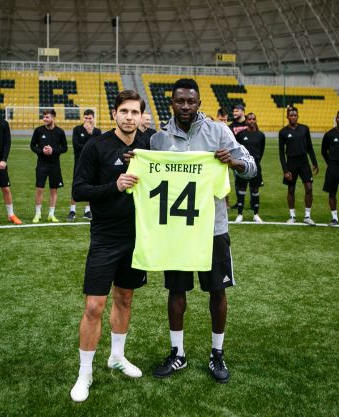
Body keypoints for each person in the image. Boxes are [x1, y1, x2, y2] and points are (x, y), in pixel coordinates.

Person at [149, 78, 256, 384]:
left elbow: (251, 166)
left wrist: (234, 163)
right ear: (172, 103)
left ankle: (217, 353)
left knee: (217, 291)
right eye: (180, 101)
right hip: (177, 229)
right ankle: (178, 353)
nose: (185, 106)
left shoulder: (219, 131)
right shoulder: (159, 139)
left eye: (191, 101)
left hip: (213, 228)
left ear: (199, 103)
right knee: (176, 290)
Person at [69, 90, 150, 402]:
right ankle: (84, 373)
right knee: (94, 305)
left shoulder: (149, 146)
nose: (129, 117)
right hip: (105, 236)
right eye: (124, 111)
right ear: (114, 113)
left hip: (138, 236)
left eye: (134, 112)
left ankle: (117, 356)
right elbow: (79, 190)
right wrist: (114, 185)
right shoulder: (96, 146)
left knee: (125, 298)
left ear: (141, 116)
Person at [278, 106, 319, 225]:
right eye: (291, 115)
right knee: (291, 189)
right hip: (291, 163)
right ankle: (292, 216)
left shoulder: (304, 129)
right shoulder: (283, 132)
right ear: (287, 117)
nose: (293, 117)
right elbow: (281, 153)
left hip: (304, 162)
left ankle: (307, 216)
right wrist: (285, 170)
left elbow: (310, 147)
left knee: (309, 188)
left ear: (298, 116)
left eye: (295, 115)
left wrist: (314, 162)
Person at [30, 109, 67, 223]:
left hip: (55, 165)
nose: (44, 119)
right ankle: (38, 214)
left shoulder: (60, 132)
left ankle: (51, 214)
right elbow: (32, 146)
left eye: (47, 117)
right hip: (42, 164)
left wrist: (53, 151)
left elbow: (64, 148)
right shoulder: (38, 130)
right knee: (39, 189)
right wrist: (41, 151)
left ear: (53, 118)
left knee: (53, 190)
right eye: (44, 117)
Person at [68, 109, 101, 222]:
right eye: (86, 118)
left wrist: (90, 133)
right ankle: (72, 210)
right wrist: (89, 145)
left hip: (92, 163)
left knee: (91, 185)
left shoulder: (97, 131)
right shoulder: (77, 129)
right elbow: (76, 146)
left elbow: (97, 148)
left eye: (90, 118)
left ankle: (88, 210)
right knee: (76, 184)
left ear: (93, 118)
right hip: (79, 162)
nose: (87, 120)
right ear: (83, 118)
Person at [235, 112, 265, 223]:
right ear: (246, 121)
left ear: (255, 120)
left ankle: (256, 214)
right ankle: (239, 214)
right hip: (243, 167)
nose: (251, 121)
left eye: (253, 119)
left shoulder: (261, 135)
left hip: (256, 167)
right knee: (241, 189)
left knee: (255, 189)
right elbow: (237, 149)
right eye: (249, 119)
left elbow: (261, 151)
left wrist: (256, 163)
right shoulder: (241, 134)